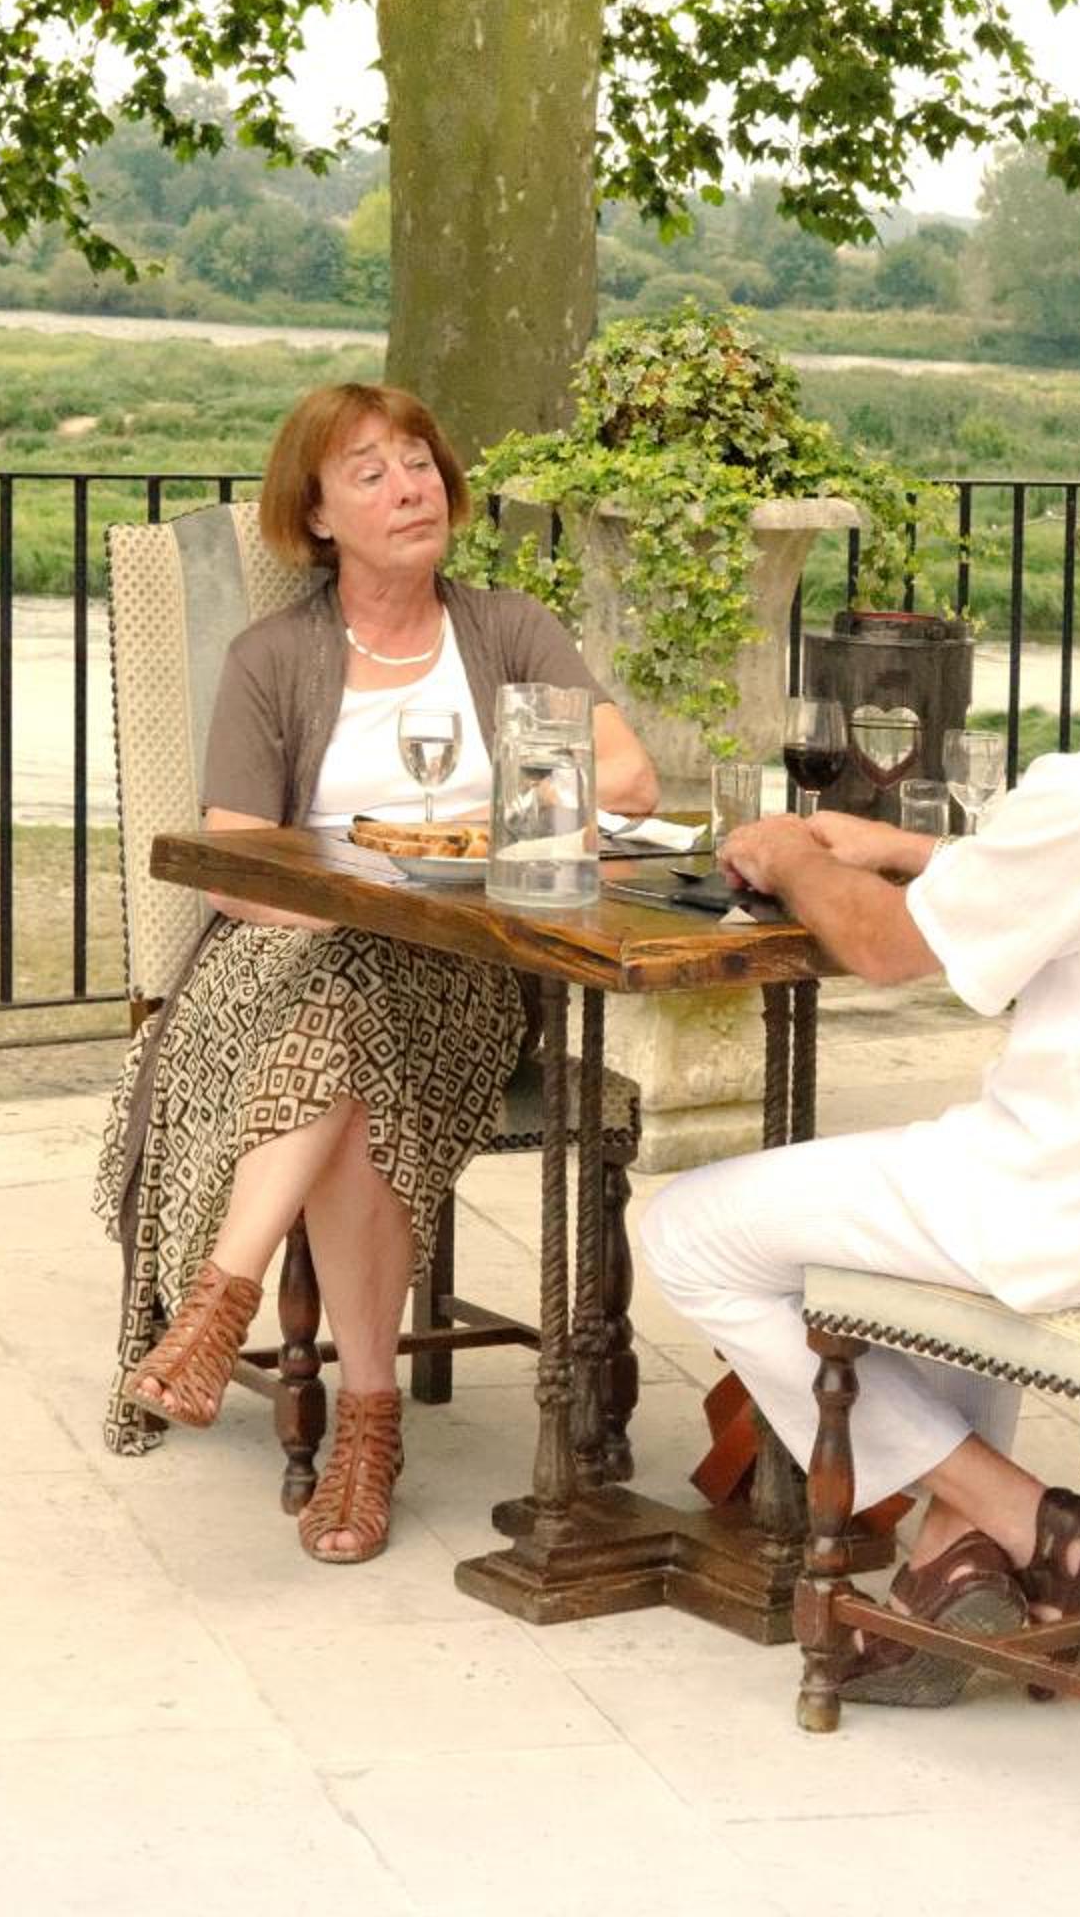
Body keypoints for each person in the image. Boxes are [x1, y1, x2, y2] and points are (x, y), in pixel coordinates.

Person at [637, 430, 1080, 1701]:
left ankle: (1019, 1514)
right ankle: (954, 1561)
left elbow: (888, 952)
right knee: (923, 1215)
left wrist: (794, 857)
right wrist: (903, 846)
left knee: (688, 1231)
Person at [96, 381, 658, 1564]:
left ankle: (222, 1300)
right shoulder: (273, 657)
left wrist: (464, 839)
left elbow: (629, 779)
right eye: (370, 471)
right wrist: (362, 898)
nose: (409, 487)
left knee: (362, 1013)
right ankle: (366, 1426)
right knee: (349, 1011)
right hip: (279, 964)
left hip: (469, 969)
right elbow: (234, 864)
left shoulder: (508, 630)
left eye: (419, 462)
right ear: (316, 515)